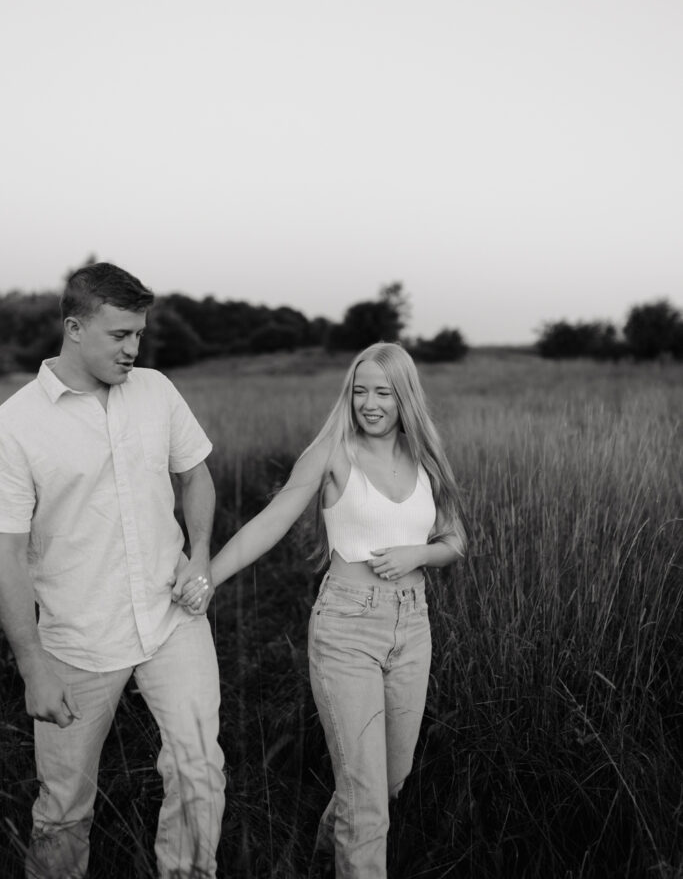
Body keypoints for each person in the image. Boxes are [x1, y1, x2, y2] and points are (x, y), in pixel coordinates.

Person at [181, 341, 468, 879]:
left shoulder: (426, 456)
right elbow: (272, 520)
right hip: (347, 628)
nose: (370, 403)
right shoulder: (332, 453)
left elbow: (456, 540)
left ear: (404, 395)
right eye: (360, 391)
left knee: (389, 781)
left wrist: (419, 553)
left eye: (383, 392)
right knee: (367, 805)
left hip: (413, 623)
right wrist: (208, 576)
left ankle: (322, 861)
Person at [0, 262, 224, 879]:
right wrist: (32, 666)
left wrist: (199, 556)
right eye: (119, 335)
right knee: (64, 807)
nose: (133, 349)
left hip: (171, 616)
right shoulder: (15, 425)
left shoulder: (155, 390)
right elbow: (7, 556)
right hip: (77, 639)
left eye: (139, 335)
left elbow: (195, 473)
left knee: (200, 769)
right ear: (74, 328)